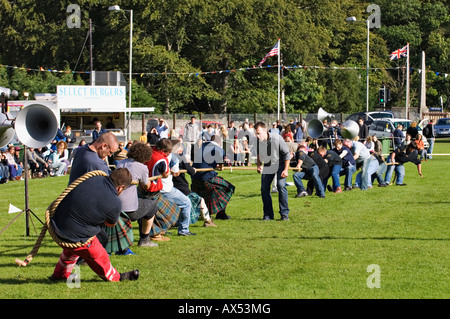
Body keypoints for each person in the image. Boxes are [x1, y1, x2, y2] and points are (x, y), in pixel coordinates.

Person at [49, 168, 139, 282]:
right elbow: (110, 224)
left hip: (57, 224)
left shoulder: (93, 178)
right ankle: (117, 277)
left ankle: (59, 275)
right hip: (74, 234)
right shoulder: (115, 203)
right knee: (99, 255)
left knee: (72, 250)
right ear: (121, 187)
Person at [116, 142, 158, 247]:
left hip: (115, 204)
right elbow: (146, 186)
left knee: (142, 204)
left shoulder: (120, 163)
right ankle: (144, 240)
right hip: (129, 209)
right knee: (152, 206)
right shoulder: (141, 167)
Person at [172, 143, 217, 227]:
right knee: (200, 201)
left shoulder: (168, 157)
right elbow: (191, 171)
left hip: (171, 187)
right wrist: (193, 170)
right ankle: (208, 221)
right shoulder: (180, 157)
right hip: (181, 187)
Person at [191, 135, 235, 220]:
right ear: (219, 142)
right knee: (228, 188)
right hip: (205, 179)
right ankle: (221, 214)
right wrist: (221, 165)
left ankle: (209, 211)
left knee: (216, 185)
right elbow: (221, 164)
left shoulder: (202, 147)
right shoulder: (219, 150)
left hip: (194, 179)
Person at [255, 122, 291, 220]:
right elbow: (258, 154)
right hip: (268, 165)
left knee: (281, 185)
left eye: (259, 133)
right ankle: (268, 215)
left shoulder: (277, 138)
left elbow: (287, 155)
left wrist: (286, 170)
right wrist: (259, 165)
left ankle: (284, 214)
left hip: (281, 164)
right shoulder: (258, 141)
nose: (257, 136)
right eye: (256, 133)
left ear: (265, 131)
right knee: (264, 189)